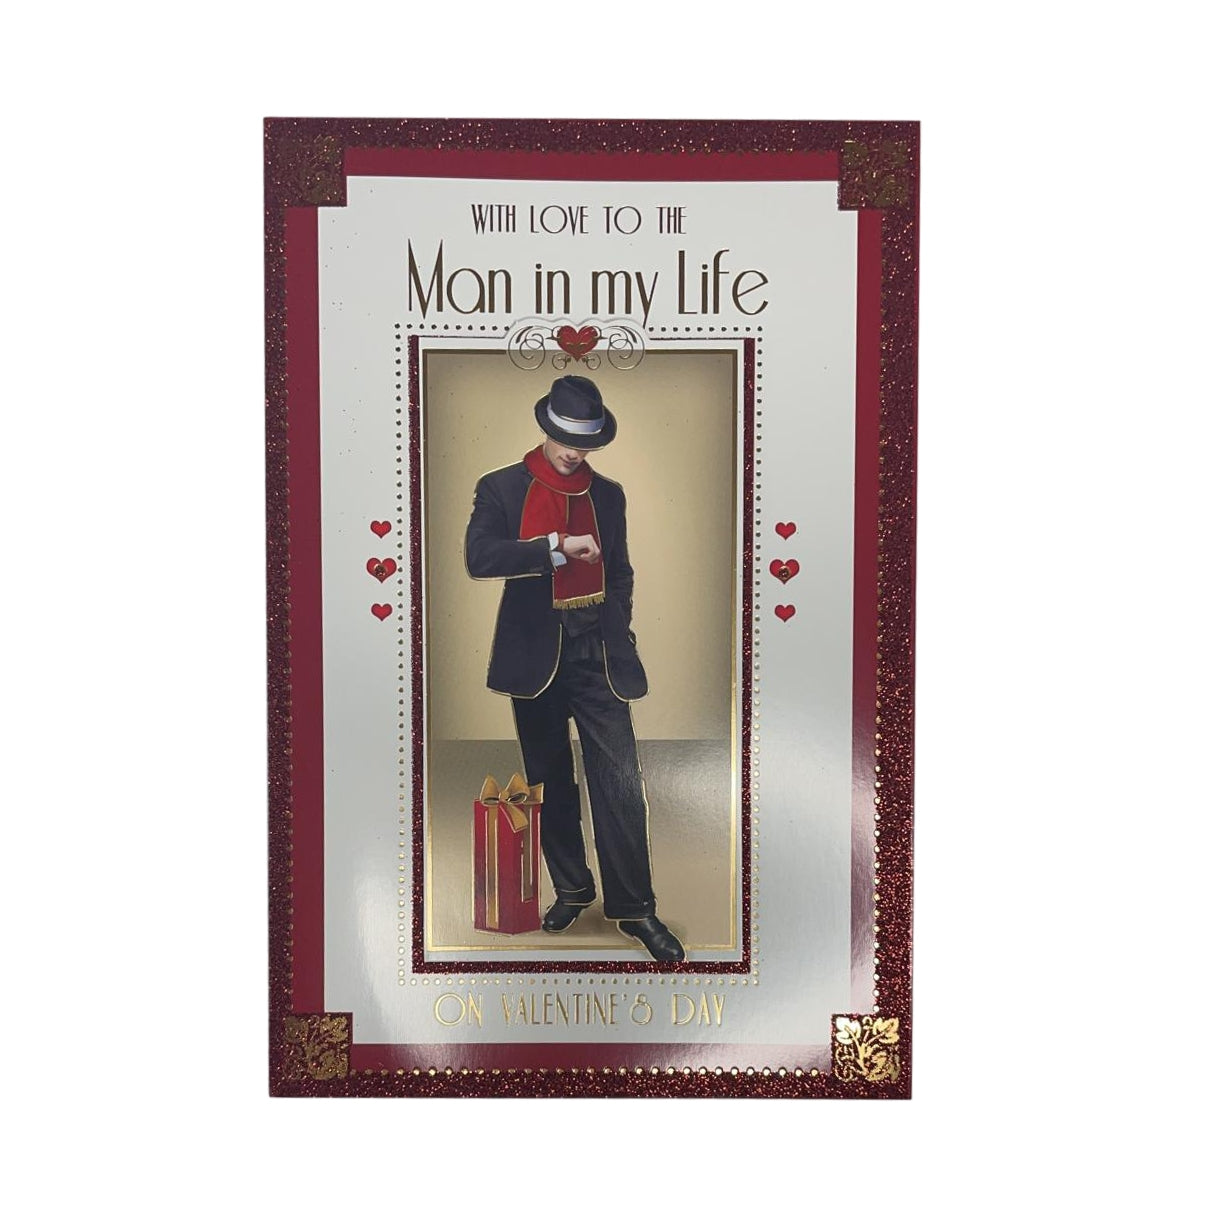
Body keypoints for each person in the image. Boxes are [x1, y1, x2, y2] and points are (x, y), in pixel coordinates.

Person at [464, 374, 684, 962]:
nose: (573, 451)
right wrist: (555, 547)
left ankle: (636, 909)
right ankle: (572, 888)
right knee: (550, 781)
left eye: (585, 443)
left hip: (598, 657)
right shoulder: (501, 487)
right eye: (566, 439)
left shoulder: (609, 495)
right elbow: (479, 558)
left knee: (619, 784)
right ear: (546, 427)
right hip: (533, 659)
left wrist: (620, 630)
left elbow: (621, 571)